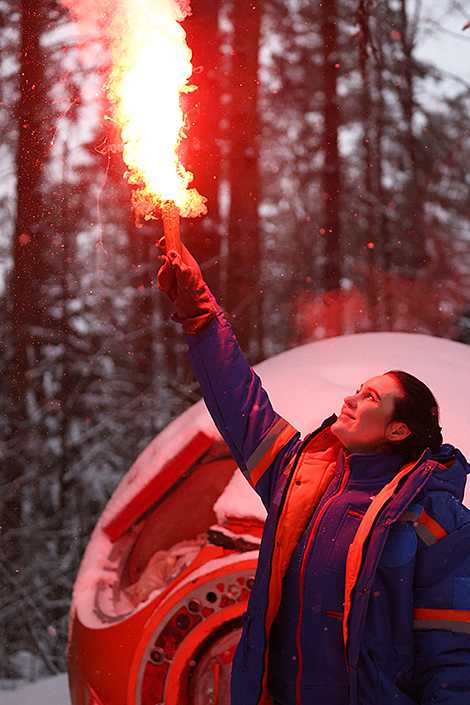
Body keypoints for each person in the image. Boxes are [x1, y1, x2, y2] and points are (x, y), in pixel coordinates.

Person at [157, 241, 470, 705]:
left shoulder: (436, 519)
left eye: (371, 399)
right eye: (358, 390)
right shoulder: (302, 477)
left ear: (399, 429)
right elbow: (239, 401)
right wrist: (200, 313)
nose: (350, 400)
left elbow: (452, 655)